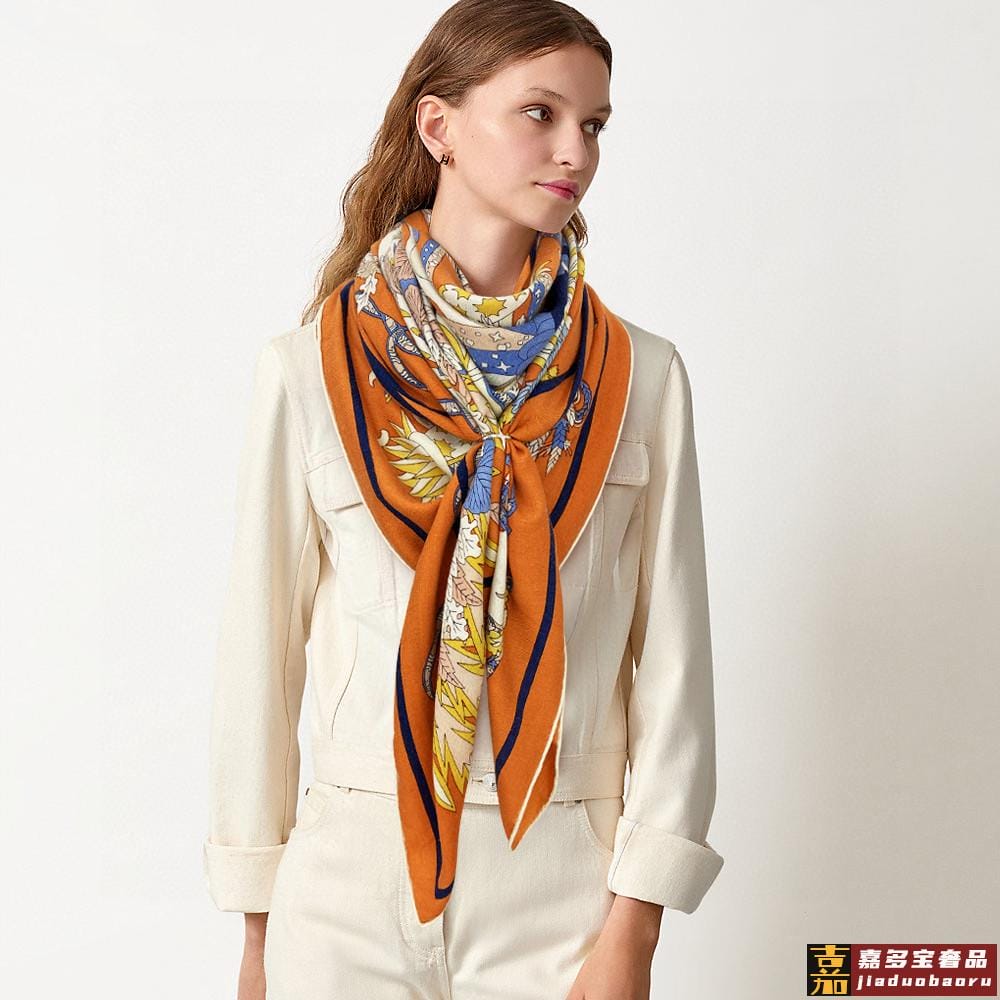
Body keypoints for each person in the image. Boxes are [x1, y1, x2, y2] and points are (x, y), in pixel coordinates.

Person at [202, 1, 724, 997]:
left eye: (594, 124)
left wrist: (636, 925)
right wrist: (261, 930)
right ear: (437, 125)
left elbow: (673, 659)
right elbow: (259, 659)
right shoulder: (309, 372)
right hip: (346, 877)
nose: (575, 151)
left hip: (560, 875)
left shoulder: (639, 377)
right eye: (540, 113)